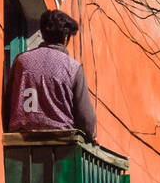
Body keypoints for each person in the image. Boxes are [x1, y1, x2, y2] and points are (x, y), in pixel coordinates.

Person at [6, 9, 97, 141]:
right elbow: (86, 119)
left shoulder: (21, 61)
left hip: (20, 145)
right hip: (62, 148)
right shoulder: (73, 68)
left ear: (43, 33)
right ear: (66, 38)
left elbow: (8, 103)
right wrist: (91, 136)